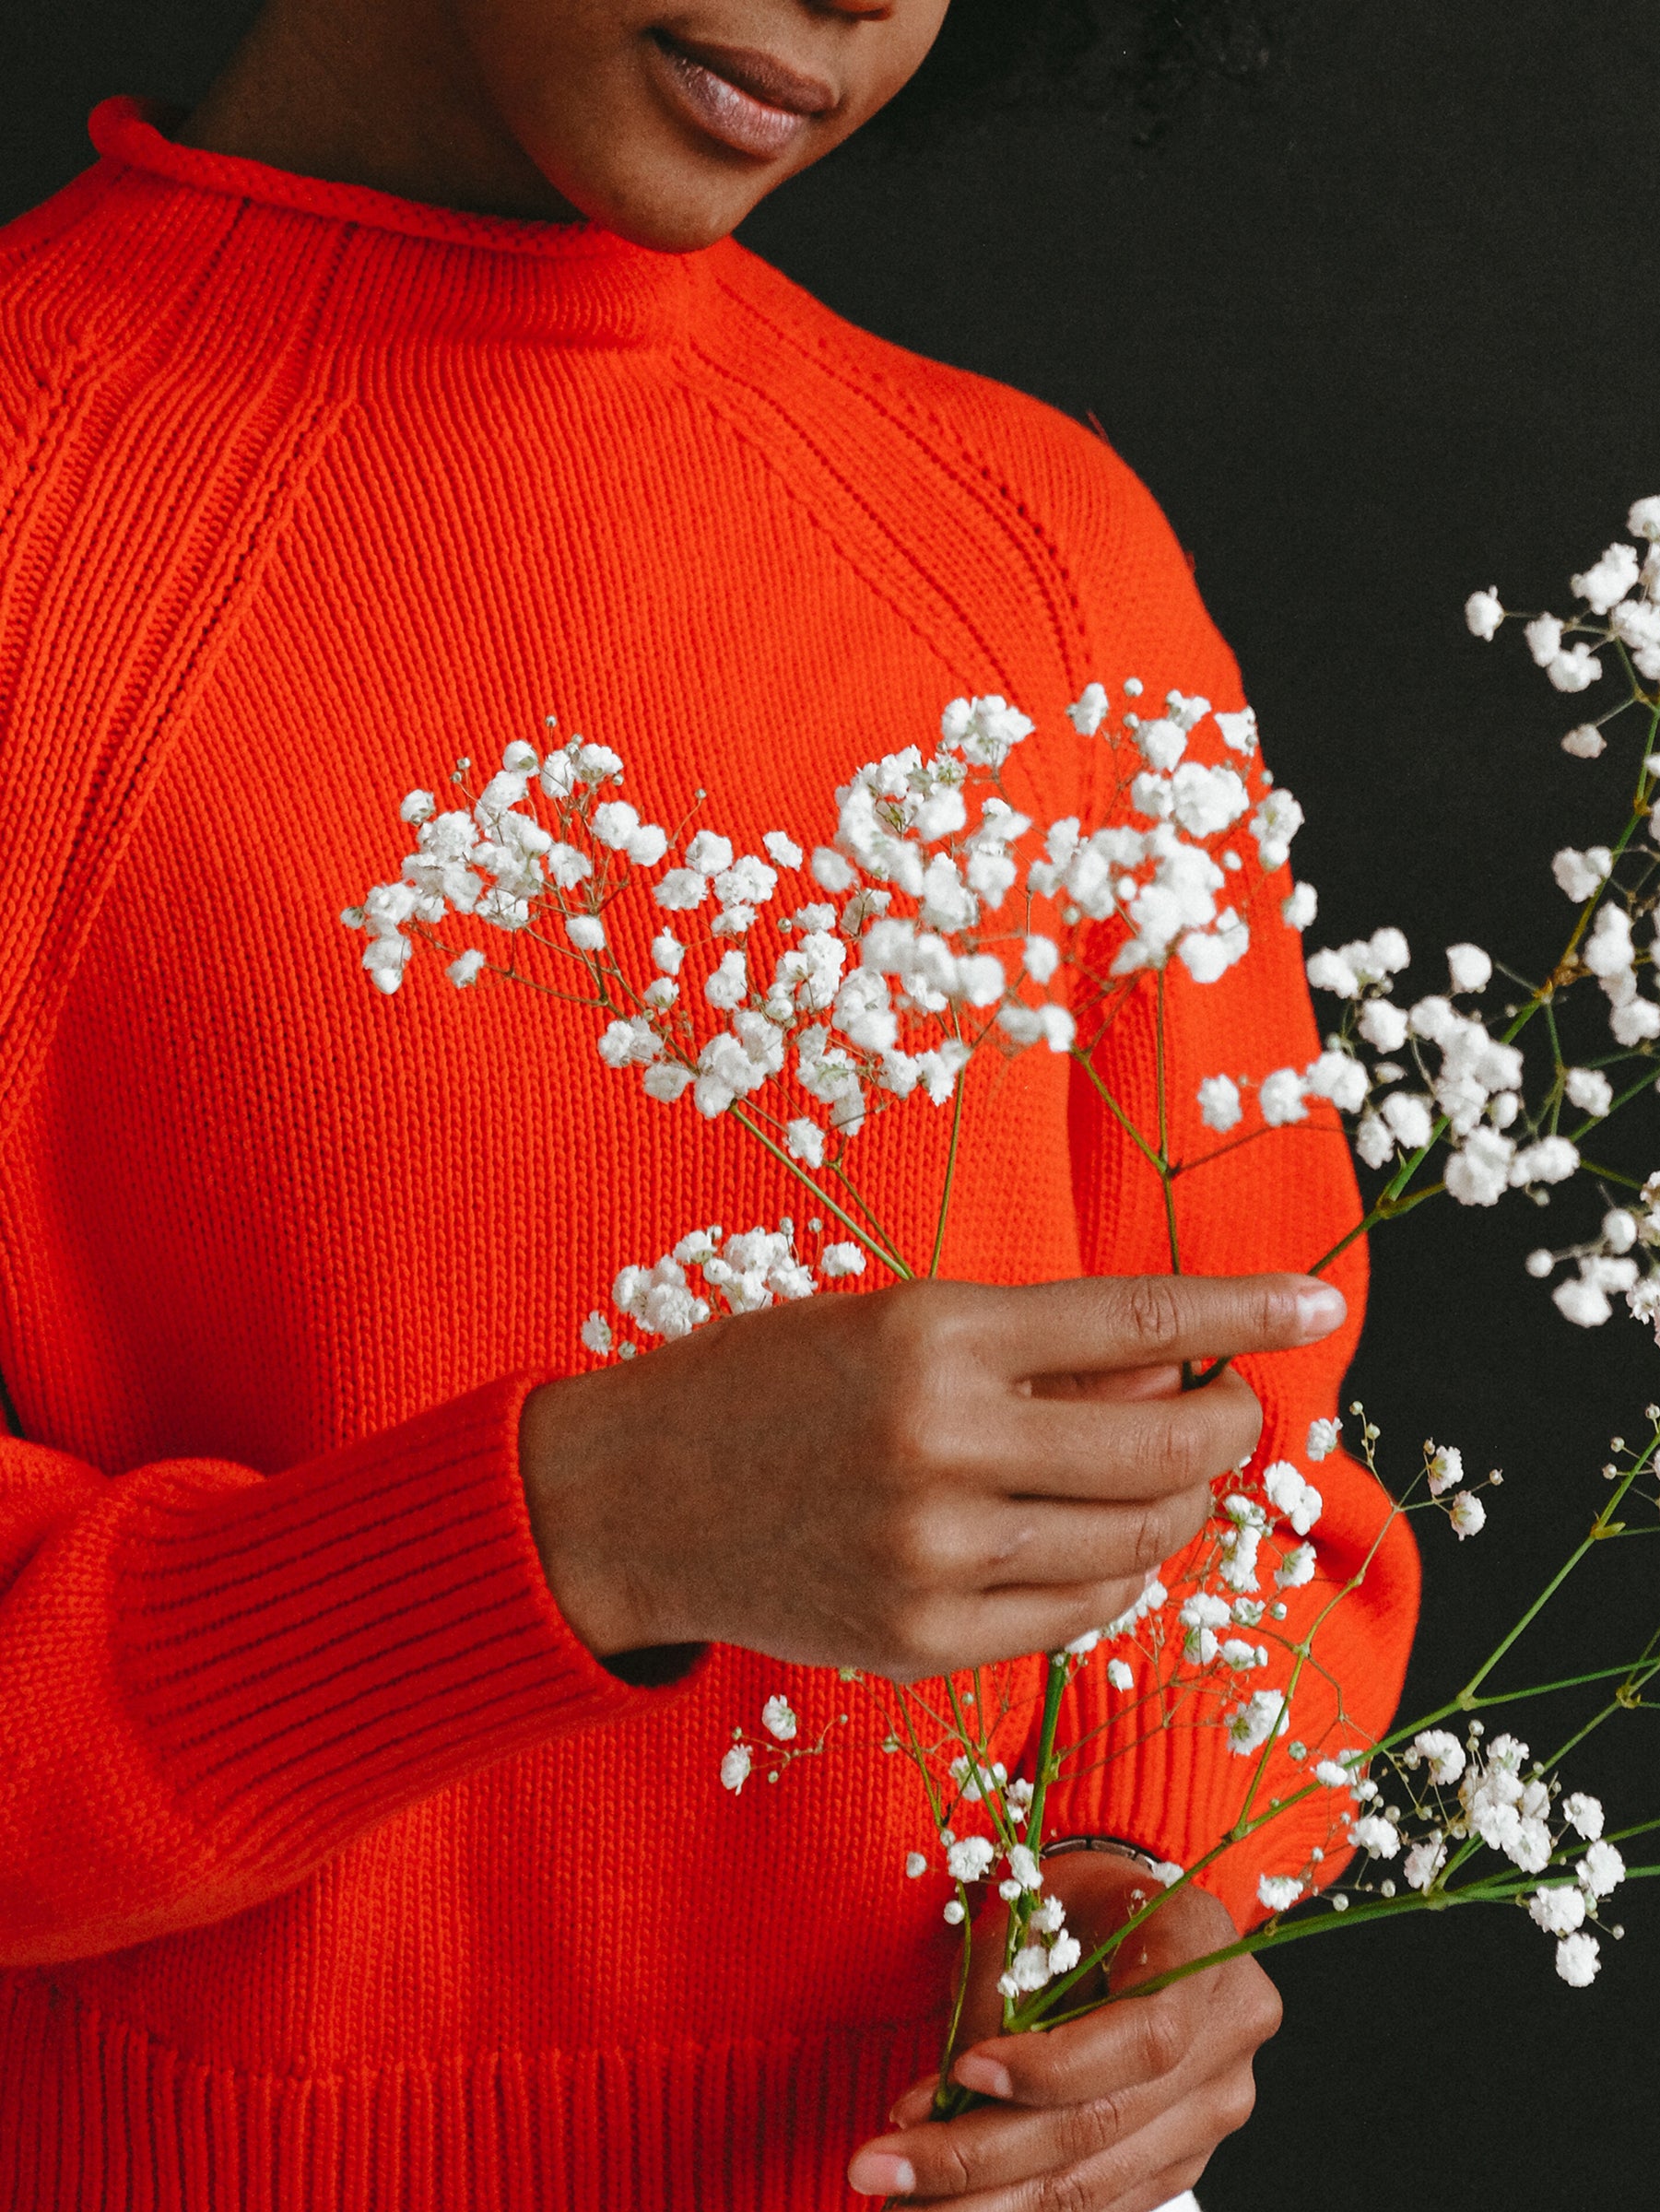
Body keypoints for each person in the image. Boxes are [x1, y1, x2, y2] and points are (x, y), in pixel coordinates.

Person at [0, 4, 1418, 2204]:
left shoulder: (1038, 553)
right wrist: (583, 1527)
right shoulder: (36, 514)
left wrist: (1146, 1886)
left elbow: (1242, 1450)